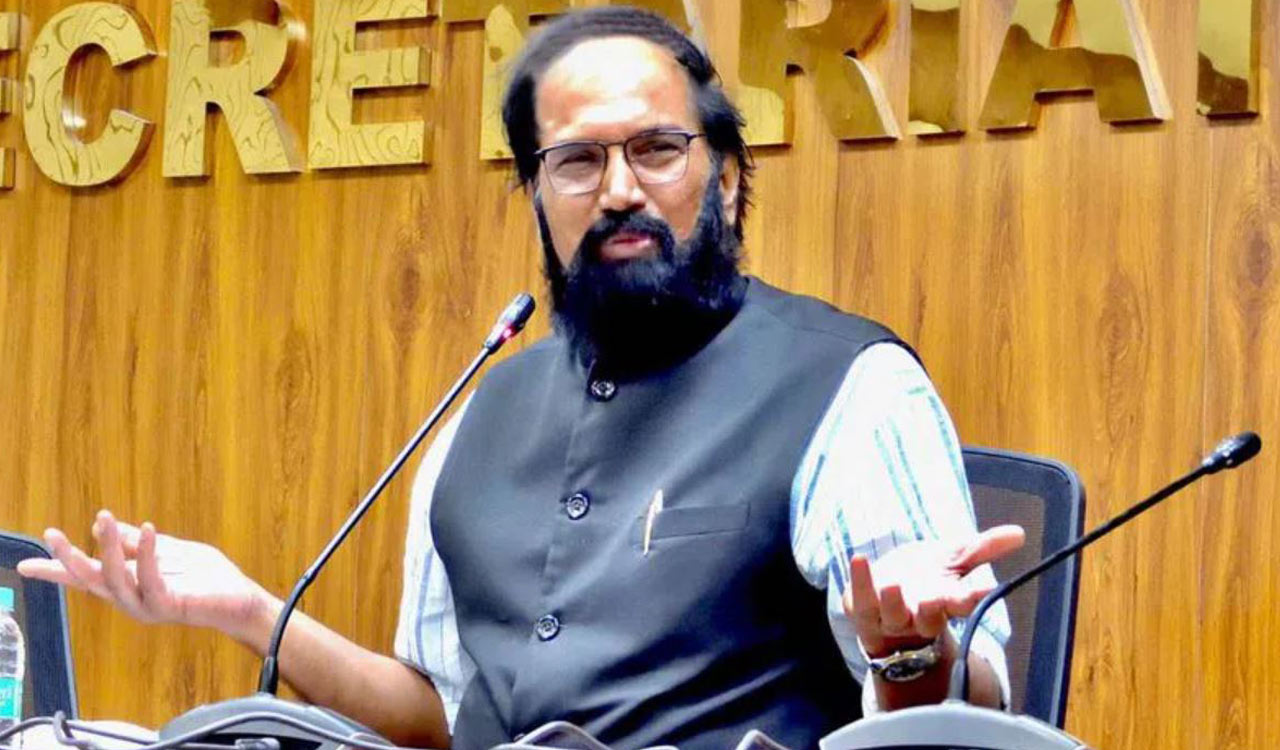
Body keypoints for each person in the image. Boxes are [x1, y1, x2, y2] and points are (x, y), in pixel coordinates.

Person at [20, 7, 1025, 750]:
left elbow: (957, 727)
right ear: (538, 192)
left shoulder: (850, 387)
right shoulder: (482, 414)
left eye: (657, 150)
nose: (620, 190)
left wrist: (910, 654)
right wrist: (249, 612)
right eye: (577, 162)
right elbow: (440, 716)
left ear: (723, 176)